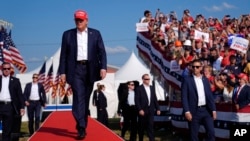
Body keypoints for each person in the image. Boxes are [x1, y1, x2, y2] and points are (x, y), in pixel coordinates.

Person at [58, 9, 107, 139]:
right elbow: (63, 55)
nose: (79, 22)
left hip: (90, 70)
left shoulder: (95, 34)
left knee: (85, 99)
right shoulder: (67, 34)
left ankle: (82, 123)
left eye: (81, 20)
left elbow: (101, 52)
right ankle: (81, 126)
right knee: (79, 96)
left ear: (87, 20)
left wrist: (103, 67)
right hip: (75, 70)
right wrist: (62, 72)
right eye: (77, 20)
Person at [181, 59, 216, 141]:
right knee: (194, 136)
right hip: (194, 111)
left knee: (211, 132)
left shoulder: (205, 80)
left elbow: (209, 96)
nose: (195, 68)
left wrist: (213, 110)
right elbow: (184, 97)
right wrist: (187, 111)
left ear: (201, 68)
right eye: (193, 67)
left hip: (206, 111)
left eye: (197, 67)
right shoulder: (187, 80)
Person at [0, 62, 25, 141]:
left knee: (7, 130)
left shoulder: (15, 81)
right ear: (1, 69)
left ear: (10, 69)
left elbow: (20, 95)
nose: (6, 70)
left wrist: (22, 107)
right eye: (5, 69)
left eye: (8, 69)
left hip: (9, 107)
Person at [135, 74, 161, 141]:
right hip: (143, 110)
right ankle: (141, 139)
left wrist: (158, 108)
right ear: (143, 80)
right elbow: (137, 100)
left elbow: (154, 98)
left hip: (150, 110)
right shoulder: (139, 89)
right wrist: (140, 109)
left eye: (149, 79)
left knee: (150, 127)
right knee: (141, 127)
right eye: (146, 79)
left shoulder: (152, 88)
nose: (148, 80)